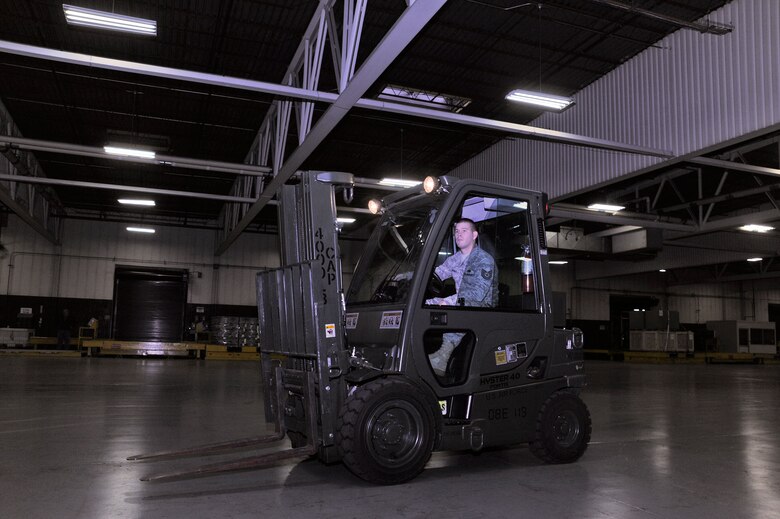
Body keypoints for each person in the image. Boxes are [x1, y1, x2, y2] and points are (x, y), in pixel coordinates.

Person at [426, 218, 498, 376]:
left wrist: (448, 301)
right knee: (426, 303)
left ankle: (443, 356)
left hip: (481, 307)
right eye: (457, 231)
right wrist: (409, 277)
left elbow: (477, 294)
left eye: (464, 231)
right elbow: (436, 274)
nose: (458, 235)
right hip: (461, 301)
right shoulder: (455, 259)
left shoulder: (483, 260)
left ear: (474, 235)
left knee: (453, 307)